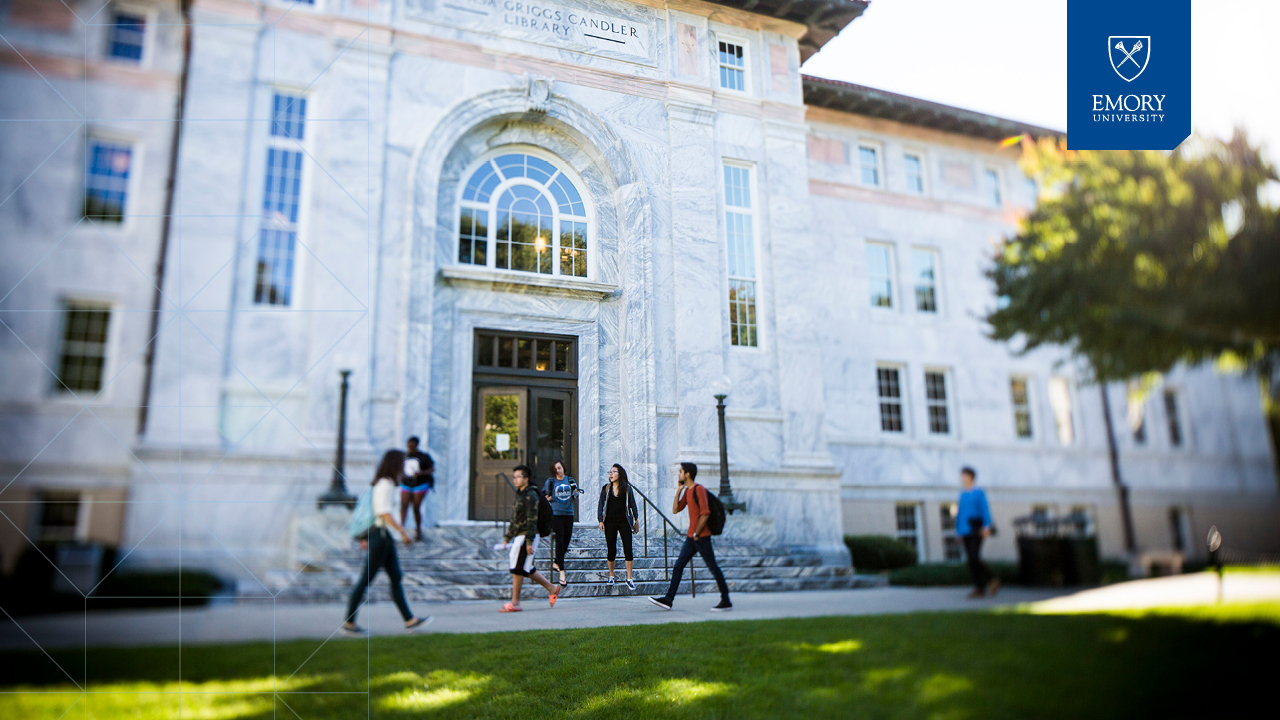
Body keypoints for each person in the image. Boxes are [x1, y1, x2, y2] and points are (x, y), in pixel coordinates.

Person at [343, 450, 430, 634]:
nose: (404, 467)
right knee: (366, 580)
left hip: (382, 537)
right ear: (395, 464)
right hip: (380, 537)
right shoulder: (386, 484)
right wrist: (403, 532)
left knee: (396, 577)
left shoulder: (382, 483)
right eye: (402, 462)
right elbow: (383, 513)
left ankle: (410, 620)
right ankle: (349, 622)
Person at [649, 462, 731, 612]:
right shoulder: (687, 491)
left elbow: (705, 513)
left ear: (687, 474)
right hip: (692, 538)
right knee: (678, 566)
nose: (679, 474)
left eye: (680, 471)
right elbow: (675, 510)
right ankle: (668, 599)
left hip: (701, 537)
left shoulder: (699, 490)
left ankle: (726, 600)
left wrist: (697, 533)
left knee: (713, 567)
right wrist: (678, 491)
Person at [500, 464, 559, 612]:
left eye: (518, 477)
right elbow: (515, 519)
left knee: (518, 567)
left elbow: (532, 519)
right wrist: (508, 537)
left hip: (528, 535)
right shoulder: (520, 494)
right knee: (524, 567)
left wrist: (529, 541)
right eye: (514, 477)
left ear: (526, 479)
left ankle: (515, 603)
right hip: (521, 534)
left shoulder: (531, 495)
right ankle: (552, 588)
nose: (515, 479)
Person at [956, 466, 999, 599]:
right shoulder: (962, 494)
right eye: (961, 476)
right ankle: (979, 588)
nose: (962, 478)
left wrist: (987, 526)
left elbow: (985, 510)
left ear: (971, 477)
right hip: (965, 531)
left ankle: (991, 579)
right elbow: (960, 514)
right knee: (971, 560)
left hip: (976, 530)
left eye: (964, 476)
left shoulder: (979, 493)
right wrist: (958, 531)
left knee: (974, 557)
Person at [596, 463, 639, 590]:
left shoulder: (627, 489)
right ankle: (611, 576)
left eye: (614, 471)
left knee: (628, 548)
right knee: (611, 549)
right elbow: (600, 505)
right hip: (609, 522)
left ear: (620, 474)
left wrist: (636, 520)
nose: (611, 474)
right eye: (610, 472)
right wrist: (600, 520)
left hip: (624, 521)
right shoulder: (606, 488)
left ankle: (629, 578)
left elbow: (633, 505)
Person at [542, 460, 578, 589]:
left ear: (563, 467)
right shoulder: (551, 482)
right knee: (560, 541)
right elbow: (543, 497)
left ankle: (557, 562)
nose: (558, 470)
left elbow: (575, 496)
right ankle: (562, 573)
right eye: (555, 468)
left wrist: (576, 494)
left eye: (559, 467)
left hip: (569, 513)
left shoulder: (570, 480)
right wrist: (548, 499)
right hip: (556, 514)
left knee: (567, 540)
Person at [399, 436, 434, 541]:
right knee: (404, 506)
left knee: (416, 507)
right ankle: (401, 530)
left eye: (412, 445)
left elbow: (431, 469)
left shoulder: (424, 457)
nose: (410, 447)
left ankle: (418, 530)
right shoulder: (404, 456)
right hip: (406, 483)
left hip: (420, 484)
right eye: (409, 445)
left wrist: (421, 473)